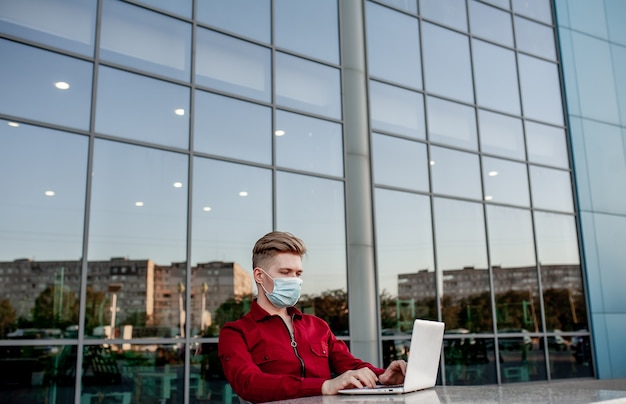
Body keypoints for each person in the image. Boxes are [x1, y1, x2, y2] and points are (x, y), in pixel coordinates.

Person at [218, 231, 407, 403]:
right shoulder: (235, 332)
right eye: (285, 272)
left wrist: (382, 376)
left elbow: (351, 364)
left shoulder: (318, 326)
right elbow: (248, 383)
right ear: (259, 275)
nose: (294, 280)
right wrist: (324, 386)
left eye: (298, 273)